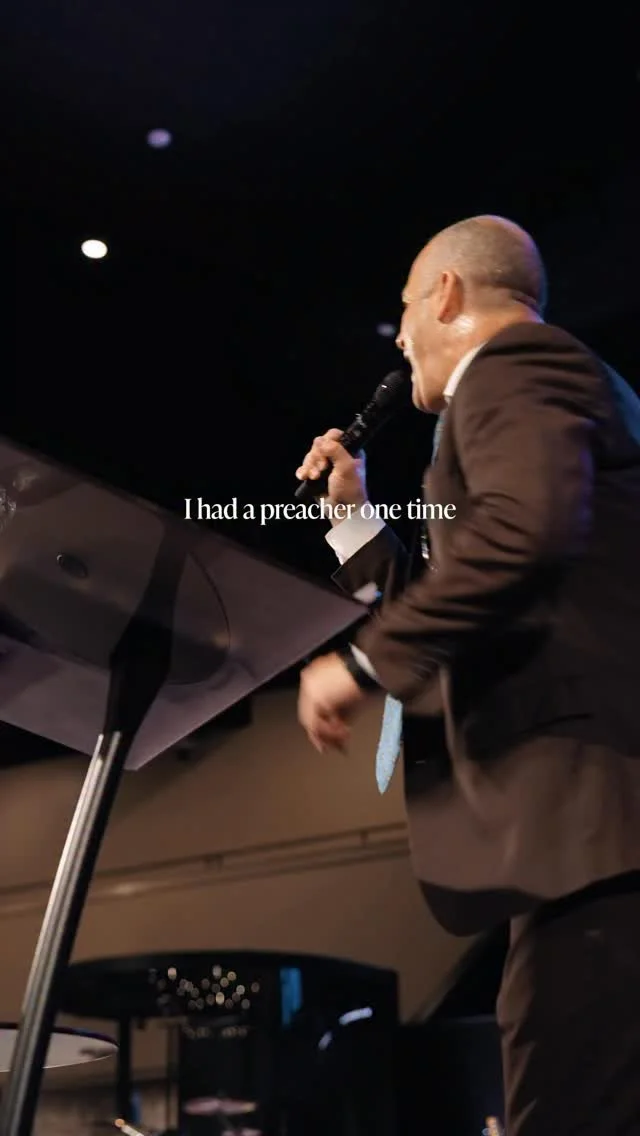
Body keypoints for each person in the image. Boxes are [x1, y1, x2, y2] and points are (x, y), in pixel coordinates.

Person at [295, 215, 640, 1134]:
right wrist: (354, 519)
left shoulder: (516, 367)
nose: (400, 338)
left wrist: (363, 664)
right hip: (591, 834)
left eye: (405, 311)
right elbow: (481, 588)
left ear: (445, 294)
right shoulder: (534, 389)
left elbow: (522, 534)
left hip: (600, 820)